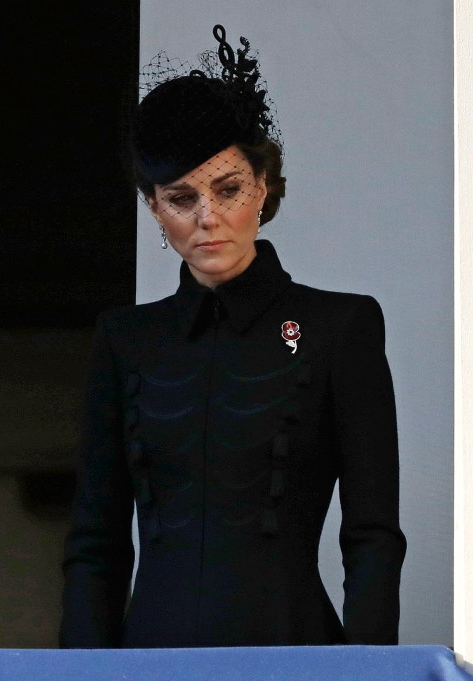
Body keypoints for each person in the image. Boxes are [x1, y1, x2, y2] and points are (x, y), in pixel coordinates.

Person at [60, 25, 406, 648]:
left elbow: (372, 533)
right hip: (147, 662)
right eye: (180, 198)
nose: (207, 218)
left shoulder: (341, 327)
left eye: (228, 190)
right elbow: (96, 542)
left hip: (297, 652)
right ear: (153, 209)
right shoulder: (126, 340)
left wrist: (368, 671)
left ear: (264, 185)